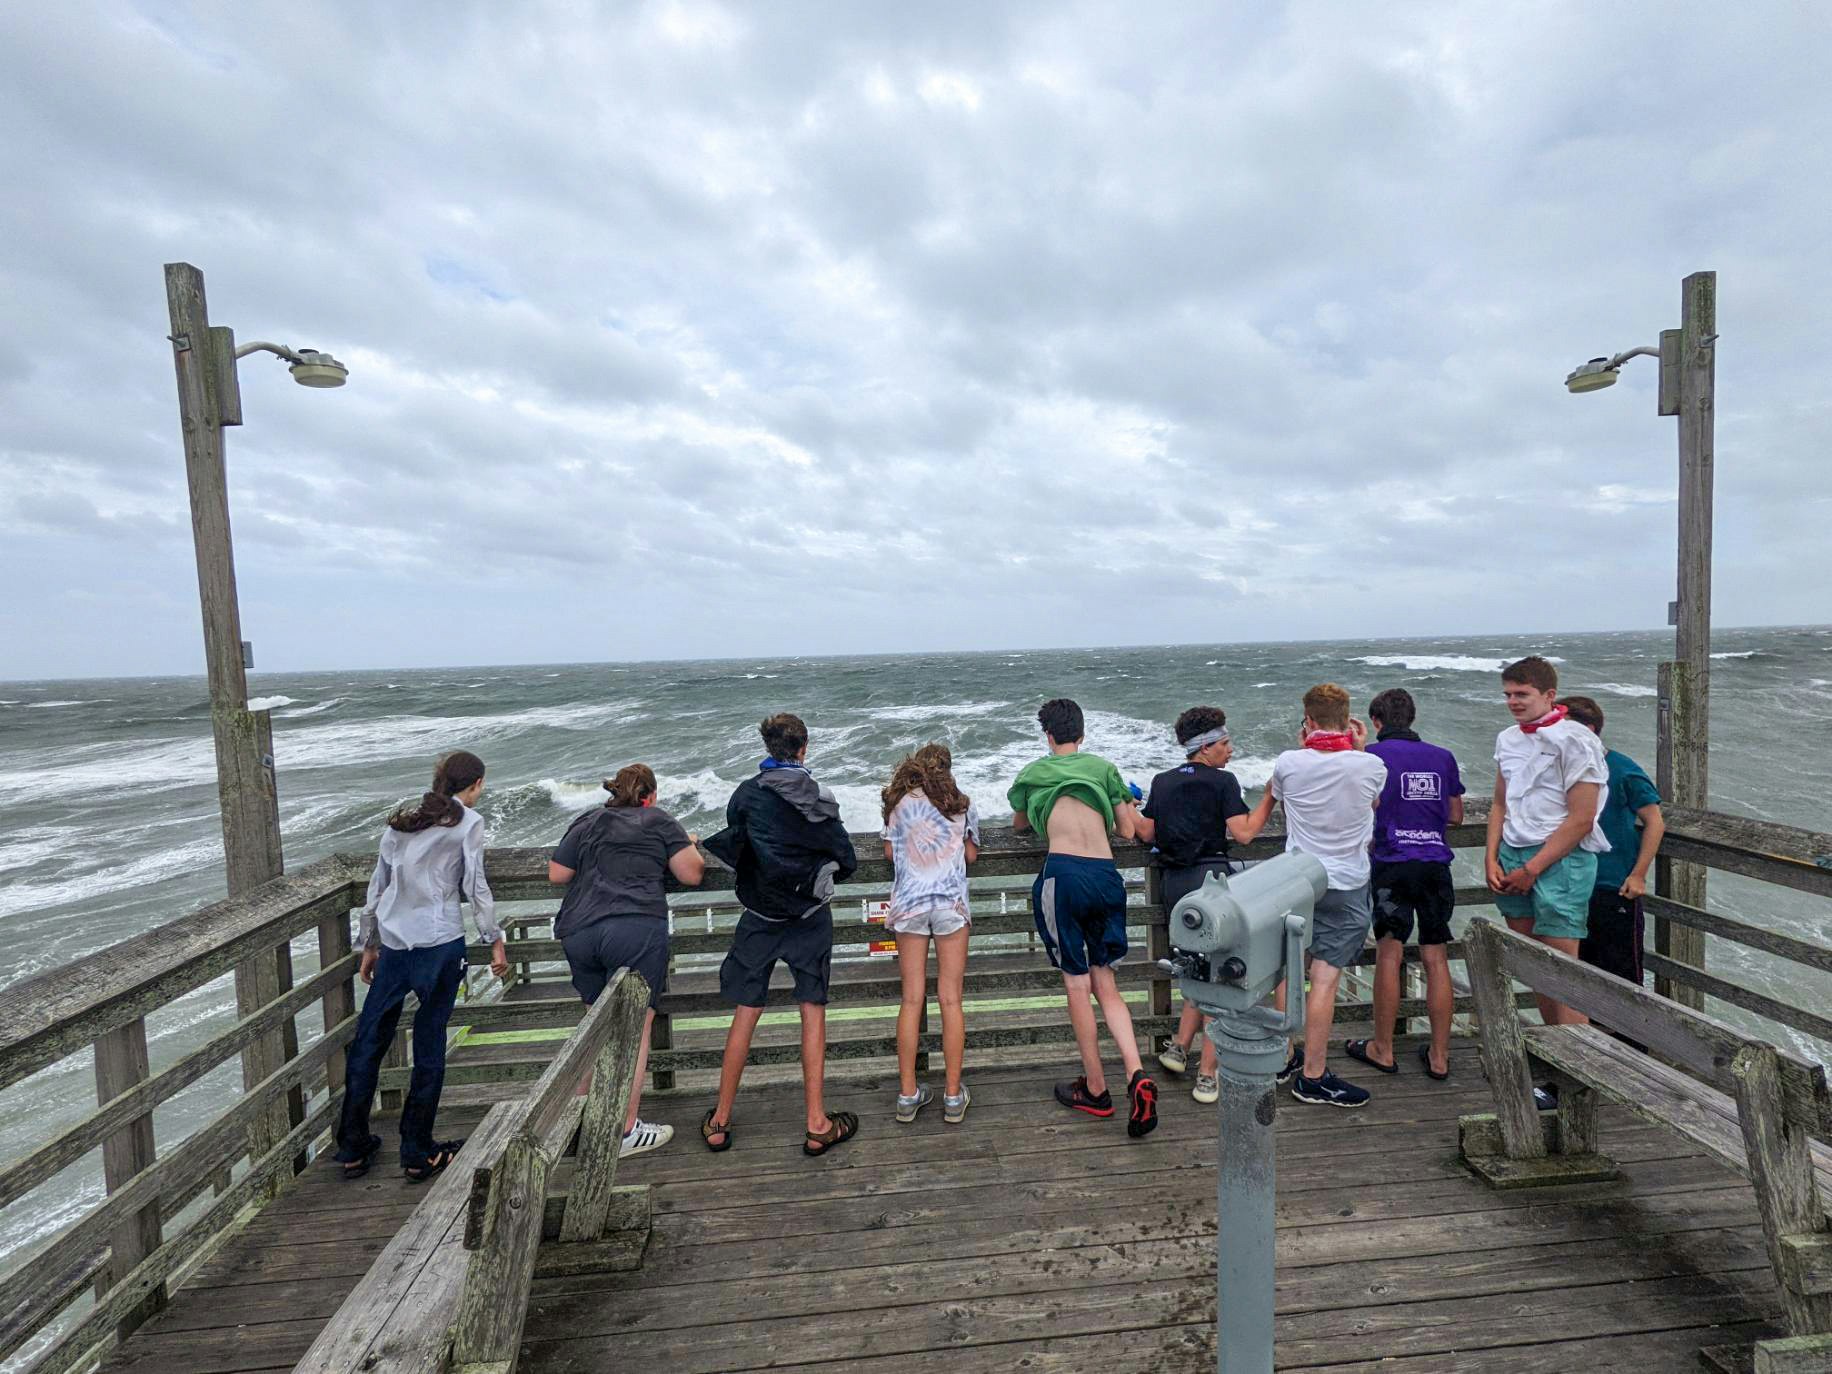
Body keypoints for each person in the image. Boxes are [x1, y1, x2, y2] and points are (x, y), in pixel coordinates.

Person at [336, 751, 509, 1182]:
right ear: (475, 786)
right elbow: (475, 886)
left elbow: (379, 887)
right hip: (440, 945)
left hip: (394, 944)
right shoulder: (469, 823)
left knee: (368, 1043)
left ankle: (353, 1146)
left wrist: (369, 944)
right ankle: (417, 1152)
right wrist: (494, 939)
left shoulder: (403, 822)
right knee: (429, 1047)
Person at [700, 714, 860, 1156]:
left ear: (769, 748)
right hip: (810, 917)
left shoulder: (747, 794)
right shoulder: (818, 797)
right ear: (804, 748)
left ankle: (719, 1119)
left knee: (746, 1011)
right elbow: (845, 858)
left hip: (759, 917)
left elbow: (738, 837)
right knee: (812, 1010)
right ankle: (816, 1123)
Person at [1009, 698, 1158, 1138]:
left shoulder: (1033, 773)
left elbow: (1019, 824)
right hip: (1106, 875)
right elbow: (1128, 831)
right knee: (1105, 983)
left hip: (1065, 876)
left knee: (1077, 985)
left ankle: (1095, 1087)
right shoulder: (1103, 768)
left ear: (1048, 736)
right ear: (1082, 734)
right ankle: (1136, 1073)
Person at [548, 764, 706, 1158]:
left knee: (595, 1029)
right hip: (634, 929)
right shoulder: (658, 820)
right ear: (650, 795)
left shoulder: (588, 820)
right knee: (635, 1031)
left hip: (580, 930)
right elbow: (691, 874)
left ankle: (577, 1123)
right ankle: (623, 1130)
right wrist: (689, 843)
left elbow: (557, 873)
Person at [1248, 684, 1387, 1109]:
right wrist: (1360, 748)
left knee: (1289, 969)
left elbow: (1283, 799)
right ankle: (1313, 1075)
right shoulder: (1372, 765)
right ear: (1349, 721)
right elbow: (1374, 804)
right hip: (1346, 881)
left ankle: (1284, 1056)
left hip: (1299, 879)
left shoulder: (1289, 763)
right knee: (1325, 978)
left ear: (1307, 721)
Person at [1131, 706, 1256, 1105]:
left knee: (1192, 969)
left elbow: (1147, 830)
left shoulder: (1162, 782)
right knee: (1219, 976)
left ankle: (1179, 1048)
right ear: (1204, 747)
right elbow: (1243, 834)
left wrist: (1127, 807)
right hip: (1213, 884)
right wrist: (1270, 798)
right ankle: (1207, 1073)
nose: (1230, 750)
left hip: (1175, 884)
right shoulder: (1223, 782)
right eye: (1224, 743)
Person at [1343, 688, 1465, 1082]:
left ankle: (1383, 1047)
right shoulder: (1442, 756)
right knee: (1436, 958)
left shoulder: (1372, 758)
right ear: (1411, 718)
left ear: (1375, 722)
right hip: (1433, 864)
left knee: (1389, 955)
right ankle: (1441, 1055)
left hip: (1392, 863)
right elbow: (1456, 814)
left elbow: (1357, 806)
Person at [1486, 656, 1610, 1028]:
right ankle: (1556, 1062)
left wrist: (1532, 868)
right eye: (1508, 694)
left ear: (1549, 695)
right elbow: (1499, 803)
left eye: (1522, 694)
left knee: (1564, 974)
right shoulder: (1507, 739)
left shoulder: (1577, 741)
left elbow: (1582, 819)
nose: (1513, 702)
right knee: (1535, 968)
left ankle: (1580, 1073)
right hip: (1512, 854)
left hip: (1561, 860)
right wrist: (1491, 857)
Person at [880, 744, 980, 1124]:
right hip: (950, 904)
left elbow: (891, 854)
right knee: (950, 1000)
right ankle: (953, 1097)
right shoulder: (960, 801)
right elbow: (971, 855)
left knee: (911, 999)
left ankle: (908, 1094)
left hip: (910, 904)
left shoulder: (899, 803)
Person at [1562, 696, 1666, 998]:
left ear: (1589, 730)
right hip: (1570, 885)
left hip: (1614, 887)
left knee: (1622, 977)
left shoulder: (1621, 768)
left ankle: (1631, 1044)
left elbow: (1655, 821)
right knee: (1576, 974)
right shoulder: (1560, 770)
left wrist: (1639, 874)